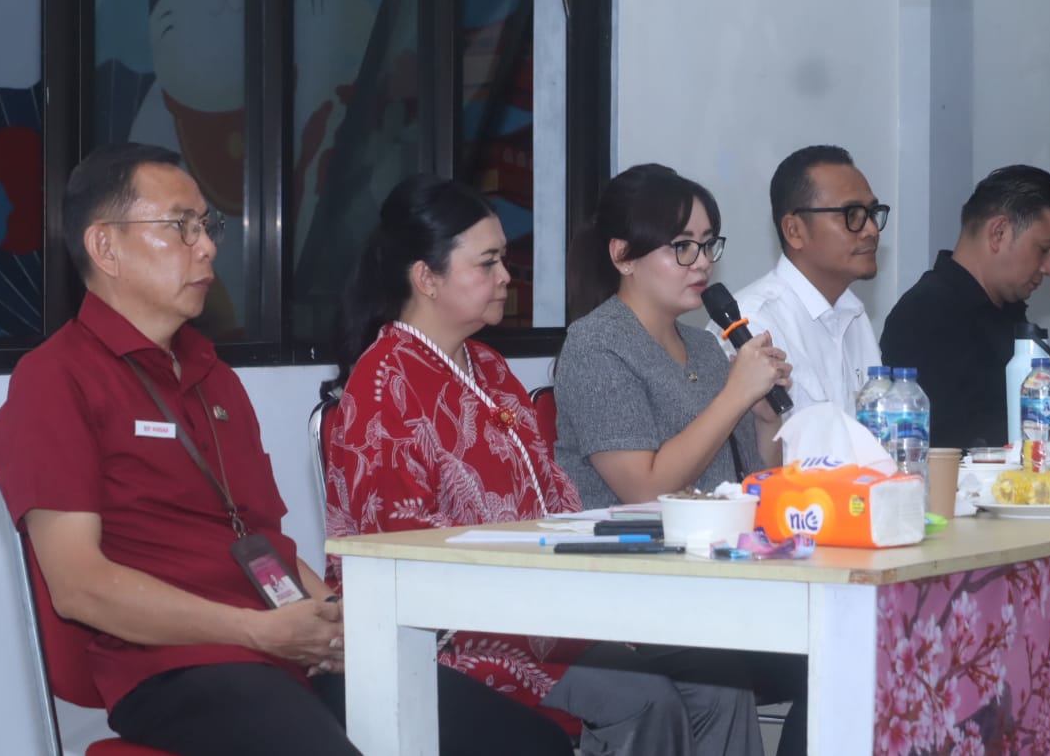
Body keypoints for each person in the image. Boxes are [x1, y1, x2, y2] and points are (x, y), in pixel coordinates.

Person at [0, 143, 571, 756]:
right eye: (180, 227)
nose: (207, 246)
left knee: (527, 742)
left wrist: (341, 622)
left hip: (283, 646)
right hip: (178, 665)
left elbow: (264, 543)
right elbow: (79, 586)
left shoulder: (215, 378)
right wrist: (258, 631)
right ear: (105, 247)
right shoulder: (56, 379)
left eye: (206, 226)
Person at [321, 175, 763, 756]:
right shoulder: (383, 386)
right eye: (488, 263)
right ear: (427, 278)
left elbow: (556, 504)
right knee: (642, 699)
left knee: (719, 685)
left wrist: (595, 602)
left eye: (503, 259)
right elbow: (402, 559)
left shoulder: (489, 368)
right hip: (457, 631)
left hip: (539, 606)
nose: (507, 276)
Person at [553, 163, 807, 756]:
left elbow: (749, 481)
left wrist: (764, 420)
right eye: (682, 246)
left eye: (709, 244)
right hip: (627, 585)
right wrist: (734, 396)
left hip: (710, 579)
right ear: (623, 256)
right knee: (725, 681)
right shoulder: (596, 345)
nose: (702, 263)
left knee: (837, 652)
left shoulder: (704, 346)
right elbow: (645, 488)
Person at [880, 164, 1050, 448]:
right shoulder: (925, 313)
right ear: (999, 232)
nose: (1049, 268)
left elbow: (1008, 419)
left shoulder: (1008, 312)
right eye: (1044, 250)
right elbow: (955, 439)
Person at [708, 145, 884, 412]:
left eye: (872, 214)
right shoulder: (750, 325)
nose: (871, 230)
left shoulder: (854, 315)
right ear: (794, 231)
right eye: (852, 216)